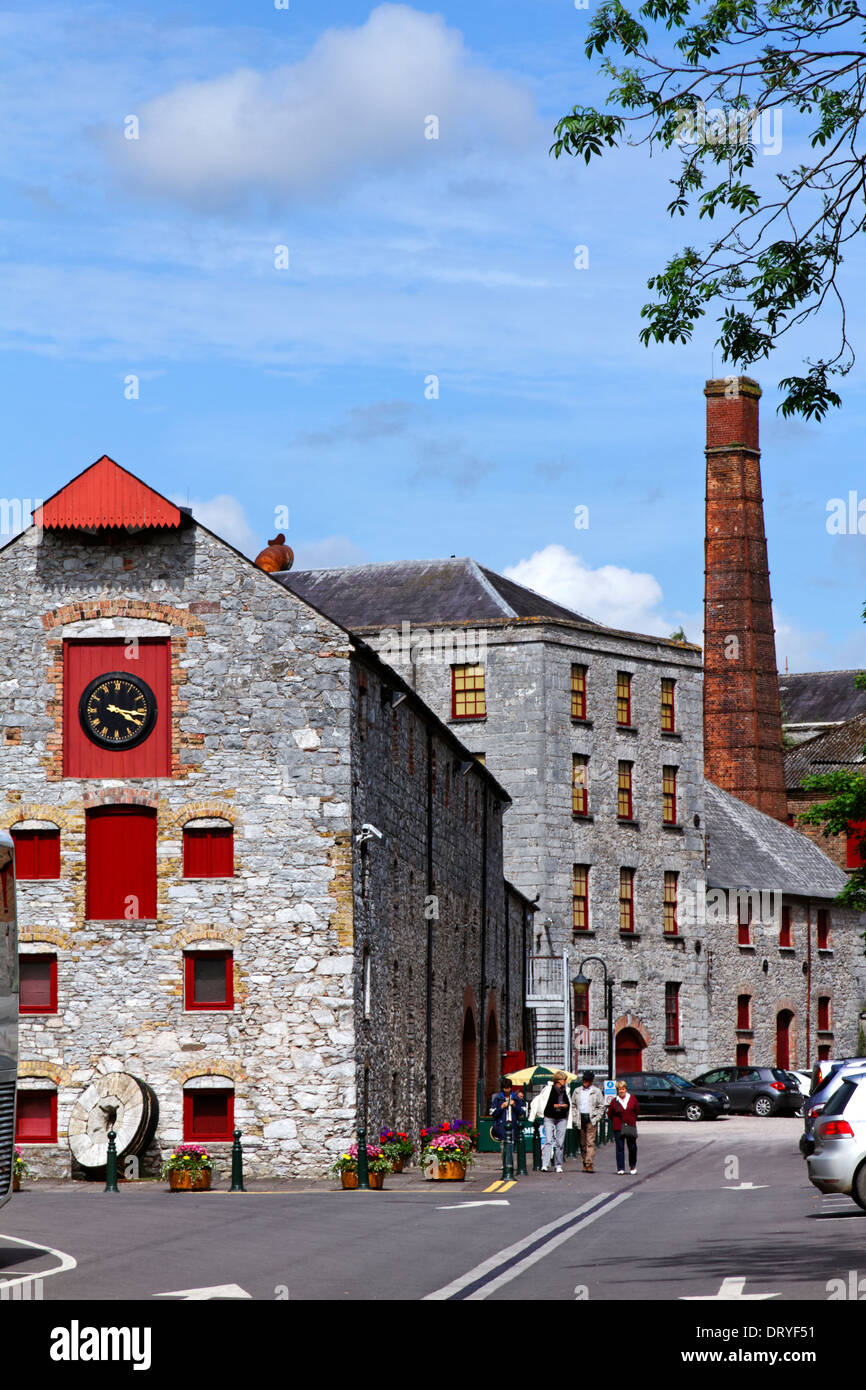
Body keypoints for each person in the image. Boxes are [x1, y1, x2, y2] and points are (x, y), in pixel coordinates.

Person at [530, 1070, 573, 1172]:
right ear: (558, 1080)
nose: (566, 1081)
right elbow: (544, 1103)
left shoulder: (566, 1090)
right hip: (549, 1117)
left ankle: (558, 1165)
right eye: (564, 1079)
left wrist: (564, 1106)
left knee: (560, 1143)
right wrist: (557, 1105)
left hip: (562, 1118)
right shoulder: (548, 1089)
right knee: (548, 1141)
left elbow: (568, 1104)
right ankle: (545, 1164)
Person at [574, 1070, 606, 1172]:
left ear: (591, 1081)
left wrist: (597, 1118)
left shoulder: (596, 1091)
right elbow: (573, 1105)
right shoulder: (577, 1091)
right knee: (582, 1143)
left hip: (591, 1119)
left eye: (587, 1080)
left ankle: (589, 1163)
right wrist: (575, 1117)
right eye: (584, 1080)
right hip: (580, 1118)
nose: (585, 1082)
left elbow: (601, 1106)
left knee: (590, 1143)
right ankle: (585, 1162)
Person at [608, 1078, 639, 1174]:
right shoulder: (614, 1101)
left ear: (626, 1089)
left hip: (630, 1126)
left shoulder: (632, 1098)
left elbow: (637, 1111)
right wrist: (616, 1121)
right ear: (617, 1090)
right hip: (618, 1127)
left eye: (623, 1089)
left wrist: (632, 1120)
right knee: (620, 1148)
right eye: (619, 1089)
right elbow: (610, 1114)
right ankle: (620, 1168)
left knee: (632, 1147)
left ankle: (632, 1166)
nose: (621, 1091)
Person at [489, 1079, 526, 1152]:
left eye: (508, 1088)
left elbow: (522, 1112)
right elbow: (493, 1114)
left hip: (513, 1125)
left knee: (512, 1146)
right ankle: (505, 1163)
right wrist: (501, 1107)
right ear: (502, 1088)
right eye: (505, 1088)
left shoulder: (516, 1098)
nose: (507, 1090)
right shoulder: (498, 1098)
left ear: (511, 1088)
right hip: (502, 1126)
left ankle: (510, 1163)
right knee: (504, 1147)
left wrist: (514, 1105)